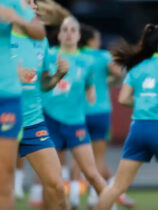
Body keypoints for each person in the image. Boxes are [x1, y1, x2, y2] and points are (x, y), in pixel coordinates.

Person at [95, 24, 158, 210]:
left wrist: (145, 103)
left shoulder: (138, 68)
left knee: (117, 186)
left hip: (138, 130)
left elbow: (123, 98)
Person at [41, 16, 109, 208]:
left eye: (73, 30)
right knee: (52, 180)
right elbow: (41, 83)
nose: (69, 33)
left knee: (92, 174)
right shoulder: (49, 56)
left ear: (79, 35)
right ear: (59, 35)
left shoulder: (86, 61)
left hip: (75, 122)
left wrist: (91, 92)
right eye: (65, 30)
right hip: (50, 120)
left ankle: (110, 205)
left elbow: (89, 84)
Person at [10, 0, 70, 209]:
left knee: (56, 186)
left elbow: (44, 84)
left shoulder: (40, 40)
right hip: (5, 121)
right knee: (4, 190)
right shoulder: (3, 36)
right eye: (28, 2)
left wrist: (59, 74)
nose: (34, 6)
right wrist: (12, 73)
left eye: (35, 3)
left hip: (33, 122)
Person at [71, 24, 134, 208]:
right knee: (97, 158)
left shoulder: (76, 56)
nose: (99, 42)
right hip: (100, 111)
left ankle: (74, 195)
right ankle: (94, 196)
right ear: (90, 40)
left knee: (78, 157)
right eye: (97, 38)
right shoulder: (102, 56)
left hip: (78, 112)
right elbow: (117, 73)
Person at [0, 0, 45, 209]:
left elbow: (39, 32)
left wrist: (17, 18)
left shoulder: (12, 3)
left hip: (7, 98)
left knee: (3, 181)